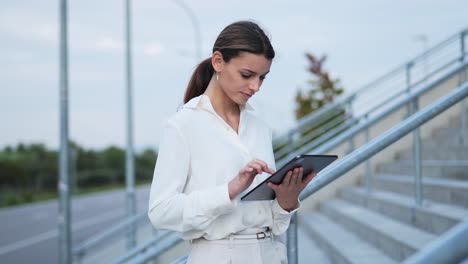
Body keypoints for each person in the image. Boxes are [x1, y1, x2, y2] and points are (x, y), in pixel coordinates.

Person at [148, 20, 316, 264]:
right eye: (247, 75)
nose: (255, 86)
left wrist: (286, 202)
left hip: (270, 254)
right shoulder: (183, 125)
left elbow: (273, 221)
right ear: (218, 61)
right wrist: (228, 190)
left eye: (262, 78)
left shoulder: (260, 126)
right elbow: (160, 212)